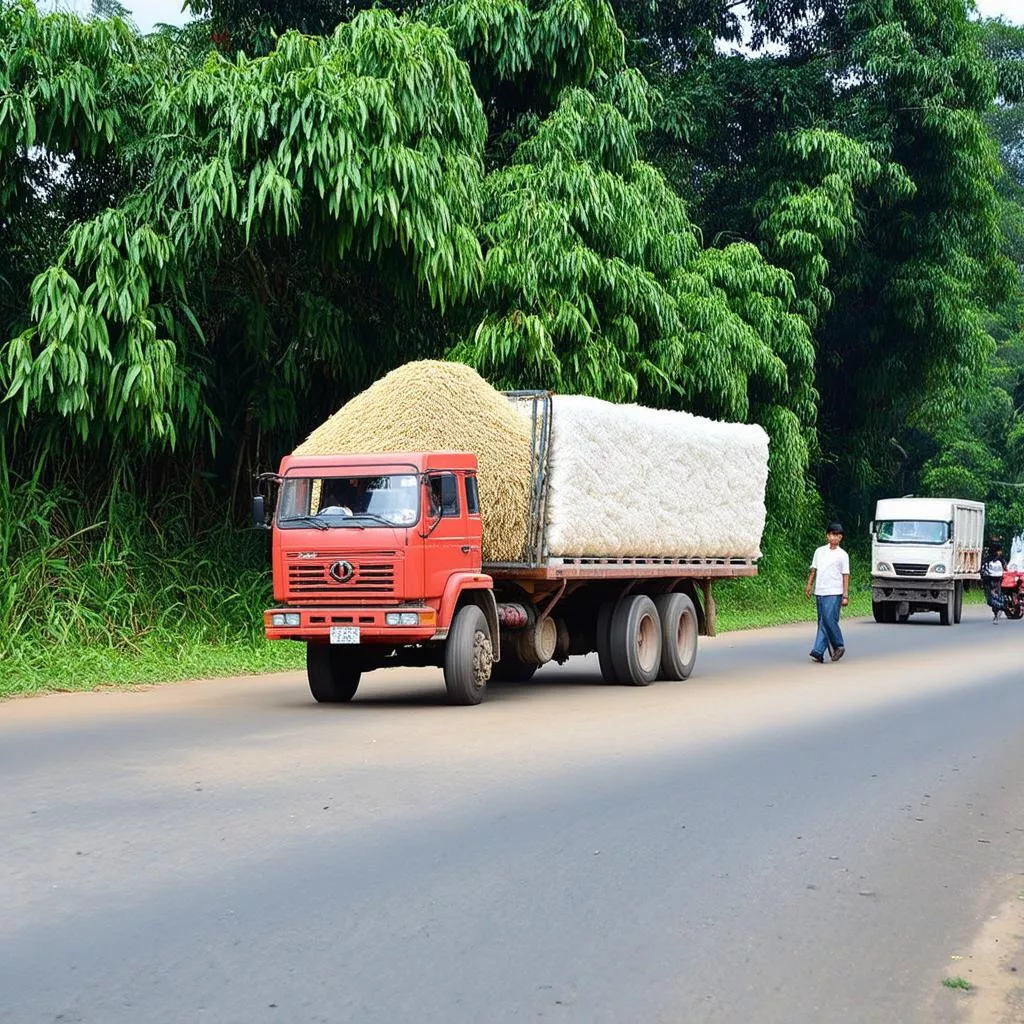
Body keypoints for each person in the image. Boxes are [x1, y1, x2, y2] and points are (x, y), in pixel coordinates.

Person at [805, 521, 850, 663]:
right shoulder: (819, 551)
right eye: (832, 535)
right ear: (827, 536)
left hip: (834, 592)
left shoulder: (843, 555)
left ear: (841, 538)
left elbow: (845, 575)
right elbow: (814, 569)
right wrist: (809, 585)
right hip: (820, 590)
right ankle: (819, 651)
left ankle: (838, 644)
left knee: (829, 619)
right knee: (822, 621)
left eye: (838, 535)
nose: (835, 538)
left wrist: (845, 595)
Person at [981, 543, 1007, 623]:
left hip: (994, 582)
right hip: (992, 582)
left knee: (993, 599)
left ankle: (996, 615)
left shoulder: (989, 559)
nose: (1000, 552)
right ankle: (997, 613)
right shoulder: (998, 560)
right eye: (999, 551)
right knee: (993, 599)